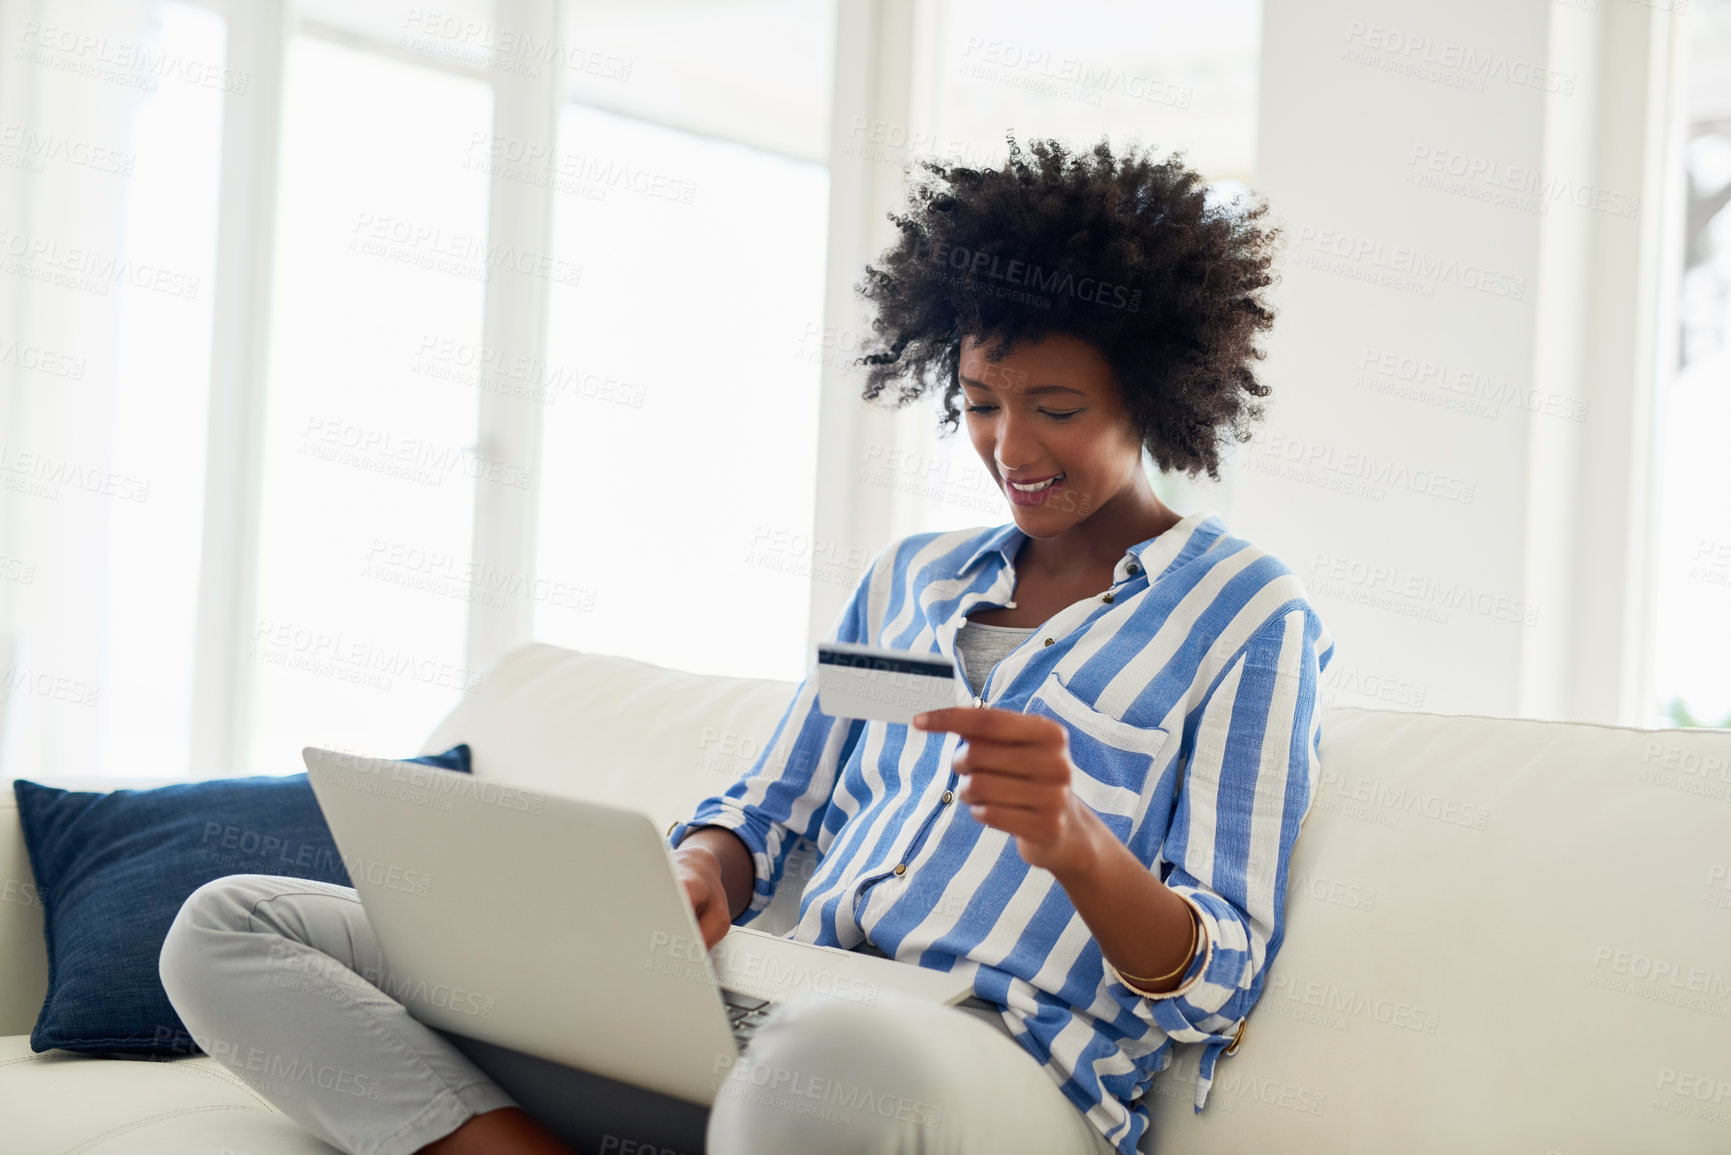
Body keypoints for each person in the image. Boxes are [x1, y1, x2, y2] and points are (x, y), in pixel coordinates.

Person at [159, 133, 1333, 1155]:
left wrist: (1075, 842)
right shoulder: (911, 580)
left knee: (831, 1055)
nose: (1010, 445)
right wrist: (698, 871)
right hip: (770, 1022)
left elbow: (1215, 982)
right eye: (980, 402)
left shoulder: (1248, 615)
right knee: (234, 925)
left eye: (1058, 409)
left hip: (995, 1065)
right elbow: (768, 811)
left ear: (1160, 394)